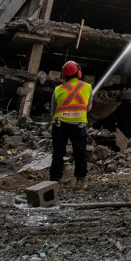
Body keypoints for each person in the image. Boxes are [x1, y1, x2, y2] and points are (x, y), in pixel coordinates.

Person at [49, 60, 93, 189]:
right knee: (80, 152)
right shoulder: (87, 87)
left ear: (64, 76)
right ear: (78, 73)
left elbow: (53, 110)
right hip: (78, 125)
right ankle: (80, 181)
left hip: (59, 125)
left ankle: (54, 181)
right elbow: (88, 107)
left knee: (58, 153)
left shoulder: (58, 89)